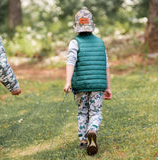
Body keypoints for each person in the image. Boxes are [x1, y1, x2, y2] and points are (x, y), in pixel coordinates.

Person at [64, 7, 112, 156]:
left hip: (81, 85)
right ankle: (92, 129)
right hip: (98, 85)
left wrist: (67, 82)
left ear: (75, 27)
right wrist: (108, 87)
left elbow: (71, 62)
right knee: (96, 111)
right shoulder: (100, 43)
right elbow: (106, 66)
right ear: (93, 26)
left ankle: (83, 140)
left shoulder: (74, 42)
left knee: (82, 111)